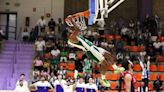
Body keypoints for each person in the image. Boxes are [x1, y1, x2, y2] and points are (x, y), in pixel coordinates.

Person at [66, 16, 124, 86]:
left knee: (108, 54)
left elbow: (78, 30)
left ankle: (115, 68)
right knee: (105, 63)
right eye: (69, 31)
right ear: (67, 34)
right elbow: (77, 29)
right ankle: (103, 78)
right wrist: (72, 20)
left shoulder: (74, 36)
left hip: (93, 47)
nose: (70, 30)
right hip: (90, 51)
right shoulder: (71, 38)